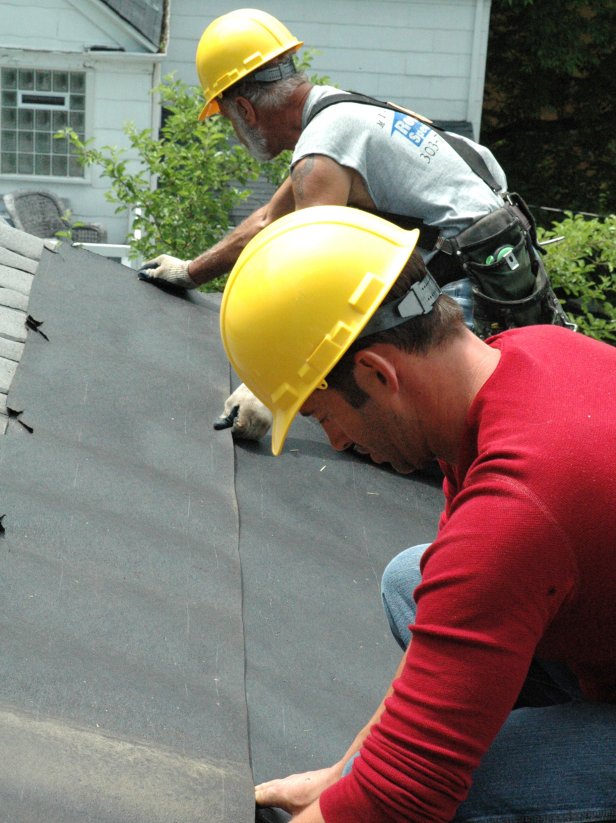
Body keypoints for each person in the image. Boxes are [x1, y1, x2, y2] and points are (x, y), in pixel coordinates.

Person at [219, 205, 616, 822]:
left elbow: (401, 796)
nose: (337, 445)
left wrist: (379, 786)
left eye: (325, 417)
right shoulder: (527, 355)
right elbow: (448, 613)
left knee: (463, 792)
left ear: (377, 373)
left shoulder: (520, 506)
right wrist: (337, 777)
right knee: (416, 579)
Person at [140, 8, 571, 447]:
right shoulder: (343, 115)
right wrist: (191, 271)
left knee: (404, 431)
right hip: (506, 266)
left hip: (467, 283)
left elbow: (310, 289)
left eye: (229, 119)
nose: (234, 132)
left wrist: (266, 392)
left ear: (247, 110)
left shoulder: (321, 152)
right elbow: (271, 220)